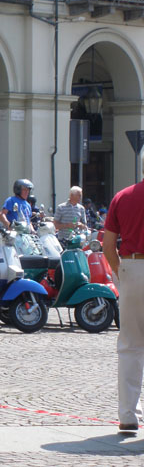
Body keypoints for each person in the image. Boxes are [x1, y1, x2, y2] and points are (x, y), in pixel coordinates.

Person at [102, 176, 144, 436]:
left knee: (130, 345)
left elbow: (108, 247)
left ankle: (128, 416)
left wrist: (122, 273)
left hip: (133, 266)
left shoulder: (123, 196)